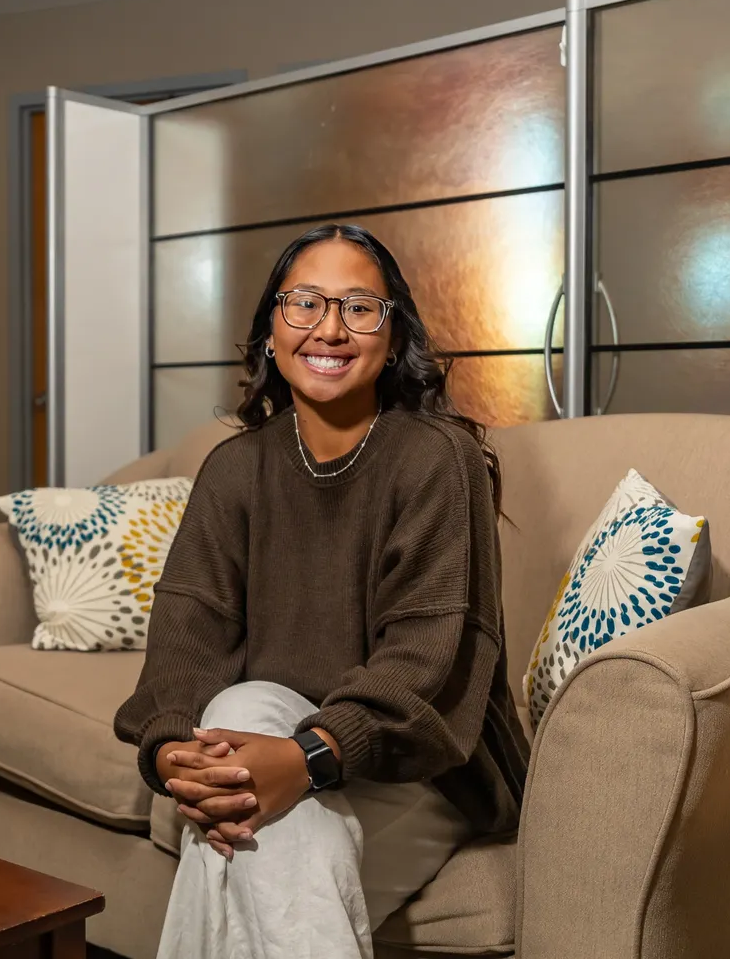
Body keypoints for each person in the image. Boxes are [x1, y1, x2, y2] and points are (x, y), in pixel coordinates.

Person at [113, 223, 529, 959]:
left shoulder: (437, 460)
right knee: (239, 720)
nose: (329, 328)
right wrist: (176, 751)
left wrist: (309, 758)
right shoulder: (235, 470)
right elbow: (186, 642)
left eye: (359, 307)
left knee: (238, 849)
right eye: (304, 302)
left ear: (392, 335)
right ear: (271, 329)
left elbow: (424, 665)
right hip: (267, 744)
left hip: (420, 771)